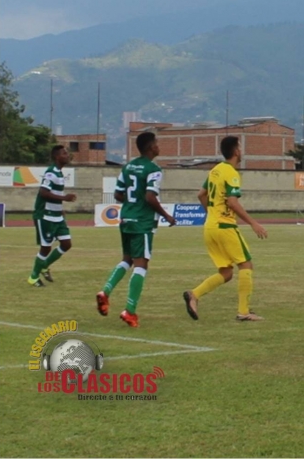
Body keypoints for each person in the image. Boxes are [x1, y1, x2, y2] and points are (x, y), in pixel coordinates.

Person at [183, 136, 268, 322]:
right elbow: (232, 201)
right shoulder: (231, 172)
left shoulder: (215, 170)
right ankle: (244, 312)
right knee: (246, 265)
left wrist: (212, 213)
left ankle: (194, 295)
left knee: (226, 273)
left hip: (210, 227)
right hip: (225, 226)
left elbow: (201, 195)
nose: (242, 151)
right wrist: (253, 222)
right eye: (240, 148)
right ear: (236, 151)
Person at [96, 132, 176, 328]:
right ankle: (130, 311)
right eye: (156, 143)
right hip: (142, 222)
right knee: (141, 265)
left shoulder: (128, 166)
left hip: (126, 219)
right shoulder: (153, 169)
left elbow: (118, 194)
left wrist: (133, 203)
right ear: (150, 147)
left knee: (127, 259)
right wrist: (166, 215)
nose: (159, 146)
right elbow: (150, 197)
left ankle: (105, 292)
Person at [28, 145, 77, 287]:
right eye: (64, 153)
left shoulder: (60, 173)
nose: (67, 155)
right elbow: (44, 192)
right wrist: (64, 198)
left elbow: (54, 194)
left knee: (66, 243)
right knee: (46, 247)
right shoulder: (51, 173)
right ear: (57, 157)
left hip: (56, 215)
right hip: (45, 215)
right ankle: (33, 277)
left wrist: (60, 208)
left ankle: (44, 266)